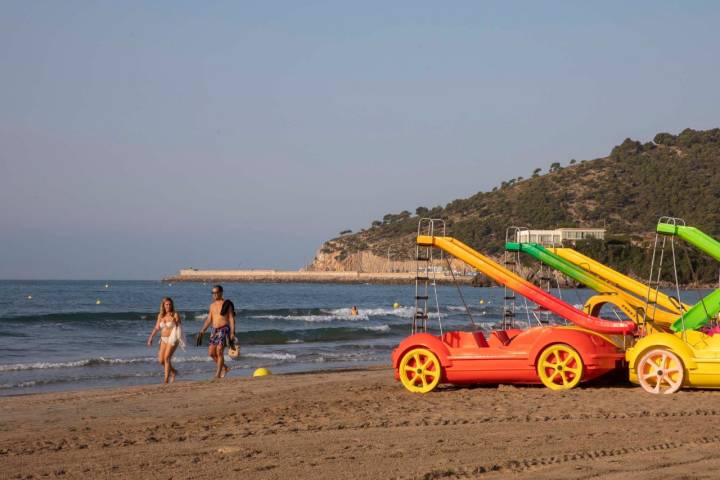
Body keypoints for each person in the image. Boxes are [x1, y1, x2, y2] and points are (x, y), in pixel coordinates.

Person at [198, 285, 236, 378]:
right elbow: (209, 319)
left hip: (224, 328)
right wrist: (202, 330)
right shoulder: (212, 305)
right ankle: (225, 368)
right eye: (213, 293)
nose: (214, 295)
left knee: (219, 351)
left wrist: (232, 332)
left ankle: (217, 374)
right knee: (211, 353)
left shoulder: (227, 304)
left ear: (221, 293)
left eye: (216, 292)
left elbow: (231, 318)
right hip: (214, 330)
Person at [147, 297, 185, 383]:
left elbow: (179, 326)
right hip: (163, 339)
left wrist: (174, 321)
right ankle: (173, 371)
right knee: (161, 360)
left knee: (167, 358)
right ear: (163, 305)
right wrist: (151, 337)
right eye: (166, 304)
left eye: (170, 304)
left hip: (173, 339)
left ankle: (166, 380)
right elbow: (157, 328)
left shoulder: (175, 314)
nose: (168, 306)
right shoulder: (160, 315)